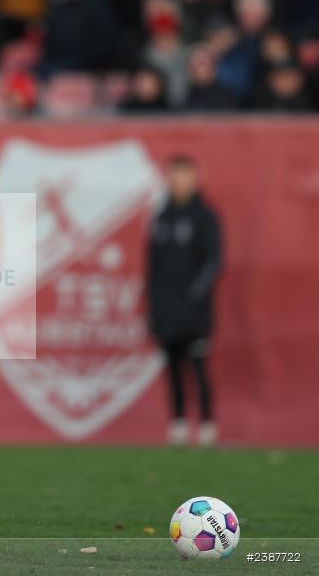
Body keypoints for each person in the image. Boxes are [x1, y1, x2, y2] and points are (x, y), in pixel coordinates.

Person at [146, 155, 222, 447]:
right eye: (174, 175)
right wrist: (154, 304)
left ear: (194, 178)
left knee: (199, 367)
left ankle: (206, 425)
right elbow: (153, 266)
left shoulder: (204, 216)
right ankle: (177, 424)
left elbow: (214, 261)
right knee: (173, 368)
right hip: (165, 311)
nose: (179, 181)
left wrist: (193, 298)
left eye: (184, 175)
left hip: (194, 312)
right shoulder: (162, 216)